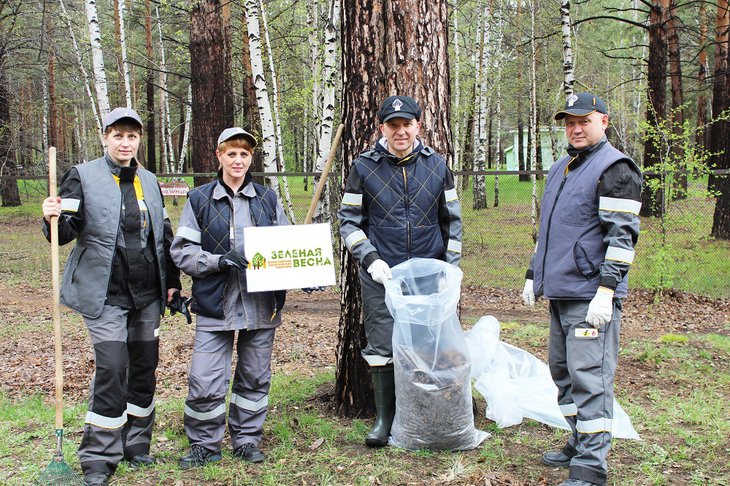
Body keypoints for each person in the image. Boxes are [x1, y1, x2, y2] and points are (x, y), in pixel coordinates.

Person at [41, 107, 182, 486]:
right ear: (105, 137)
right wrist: (52, 215)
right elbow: (64, 233)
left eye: (131, 136)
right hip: (105, 293)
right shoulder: (82, 176)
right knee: (112, 368)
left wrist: (173, 283)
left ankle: (136, 445)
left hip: (147, 295)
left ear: (139, 140)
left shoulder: (150, 181)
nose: (125, 142)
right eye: (118, 135)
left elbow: (163, 234)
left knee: (143, 369)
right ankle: (99, 459)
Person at [521, 93, 642, 486]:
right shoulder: (562, 167)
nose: (575, 128)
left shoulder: (615, 168)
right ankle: (578, 440)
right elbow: (550, 230)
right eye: (569, 122)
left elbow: (622, 238)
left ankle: (591, 465)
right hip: (561, 291)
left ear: (603, 122)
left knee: (590, 376)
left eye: (583, 121)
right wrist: (531, 274)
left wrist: (607, 290)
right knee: (564, 374)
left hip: (591, 296)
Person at [337, 95, 463, 447]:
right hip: (382, 274)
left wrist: (450, 269)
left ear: (417, 126)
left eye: (407, 124)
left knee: (427, 345)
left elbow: (452, 221)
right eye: (393, 126)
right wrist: (370, 258)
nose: (401, 131)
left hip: (427, 272)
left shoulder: (437, 166)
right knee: (381, 344)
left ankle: (424, 414)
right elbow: (348, 221)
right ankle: (384, 418)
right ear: (382, 129)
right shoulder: (364, 167)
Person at [171, 127, 290, 469]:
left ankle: (247, 439)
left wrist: (302, 273)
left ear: (251, 159)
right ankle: (204, 444)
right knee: (205, 378)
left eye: (244, 154)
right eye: (232, 153)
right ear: (219, 156)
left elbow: (287, 248)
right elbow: (182, 251)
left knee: (254, 376)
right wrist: (216, 261)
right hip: (215, 302)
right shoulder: (199, 199)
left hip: (261, 305)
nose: (238, 160)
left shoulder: (268, 199)